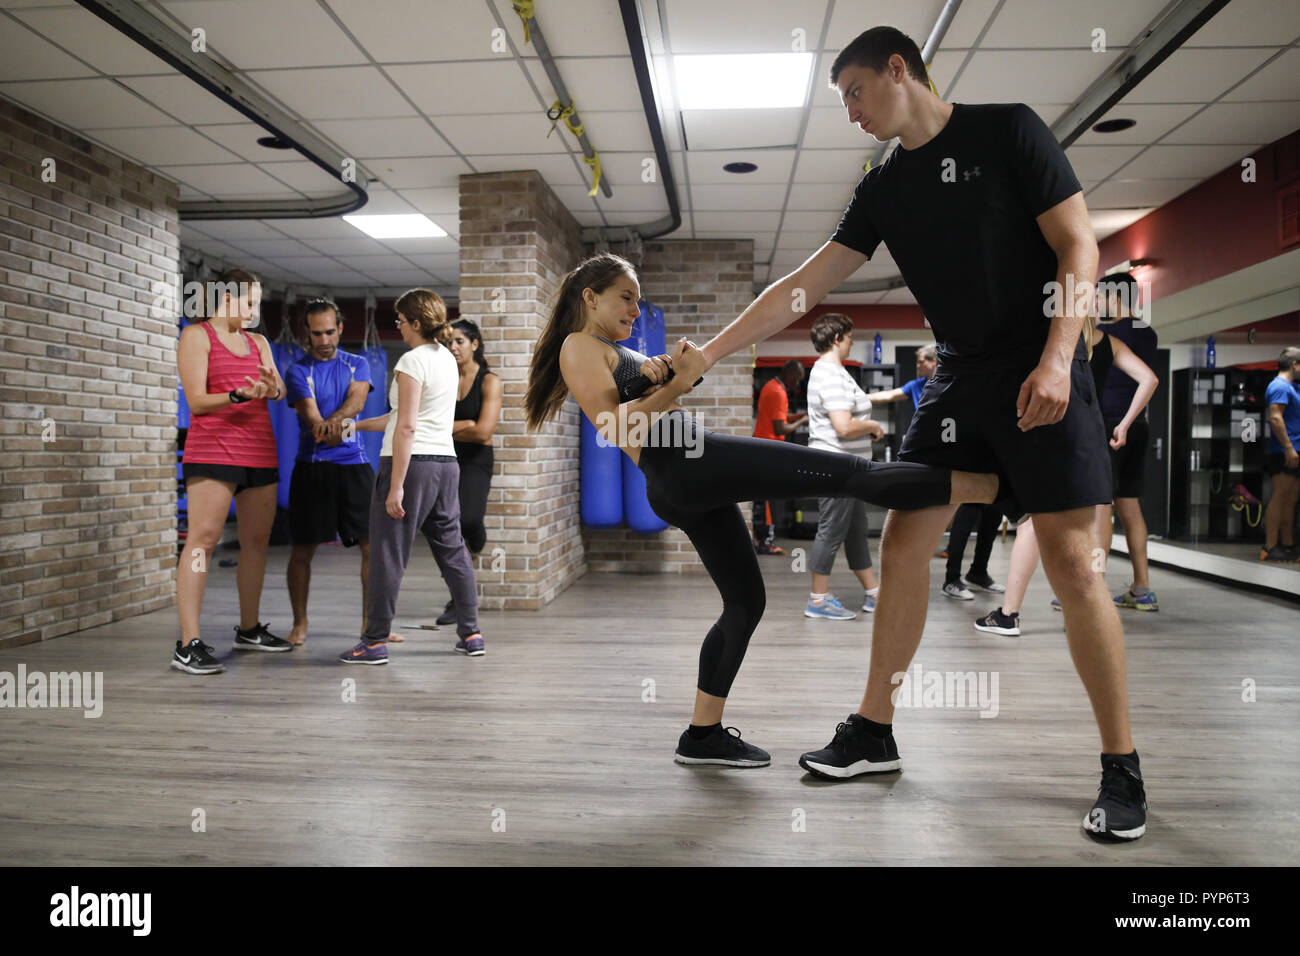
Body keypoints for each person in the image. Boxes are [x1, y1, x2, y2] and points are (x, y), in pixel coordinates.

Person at [699, 26, 1148, 839]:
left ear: (898, 70)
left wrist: (1055, 361)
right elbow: (803, 287)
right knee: (907, 539)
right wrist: (706, 356)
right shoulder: (883, 186)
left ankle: (1122, 766)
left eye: (855, 93)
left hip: (1042, 361)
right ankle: (874, 729)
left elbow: (1078, 243)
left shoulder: (1008, 129)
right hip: (961, 378)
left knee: (1075, 565)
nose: (852, 113)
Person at [523, 253, 999, 768]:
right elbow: (616, 429)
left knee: (745, 603)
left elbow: (633, 411)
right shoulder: (579, 345)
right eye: (626, 297)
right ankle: (1002, 488)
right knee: (853, 476)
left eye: (639, 300)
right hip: (693, 465)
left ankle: (702, 736)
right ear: (590, 296)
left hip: (686, 476)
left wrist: (664, 376)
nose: (636, 310)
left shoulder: (610, 349)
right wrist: (677, 384)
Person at [975, 321, 1159, 635]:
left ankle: (1008, 614)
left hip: (1051, 436)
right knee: (1099, 515)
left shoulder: (1048, 340)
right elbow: (1149, 379)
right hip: (1092, 438)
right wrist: (1126, 423)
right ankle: (1091, 606)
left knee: (1032, 522)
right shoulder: (1107, 344)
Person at [341, 289, 484, 663]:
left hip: (411, 465)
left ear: (416, 323)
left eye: (401, 321)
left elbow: (406, 427)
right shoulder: (448, 360)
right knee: (453, 551)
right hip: (445, 466)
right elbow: (404, 417)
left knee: (388, 554)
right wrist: (356, 426)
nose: (399, 327)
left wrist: (397, 486)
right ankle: (471, 634)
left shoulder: (410, 361)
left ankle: (373, 642)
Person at [173, 267, 292, 674]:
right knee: (202, 542)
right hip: (213, 451)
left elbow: (278, 391)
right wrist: (238, 394)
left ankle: (249, 628)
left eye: (258, 302)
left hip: (259, 452)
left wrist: (271, 388)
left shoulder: (257, 341)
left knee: (256, 543)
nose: (255, 310)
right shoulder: (196, 336)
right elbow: (198, 401)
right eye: (250, 301)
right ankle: (188, 643)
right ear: (227, 297)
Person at [283, 299, 377, 646]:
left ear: (340, 329)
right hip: (312, 469)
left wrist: (331, 424)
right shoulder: (297, 370)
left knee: (372, 547)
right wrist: (327, 425)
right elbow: (309, 416)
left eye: (329, 331)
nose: (323, 340)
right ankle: (300, 623)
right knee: (302, 550)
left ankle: (371, 626)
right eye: (316, 333)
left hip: (354, 467)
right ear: (306, 332)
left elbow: (357, 402)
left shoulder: (358, 364)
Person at [804, 313, 884, 619]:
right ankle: (817, 599)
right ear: (837, 338)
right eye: (849, 337)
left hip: (849, 468)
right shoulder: (830, 374)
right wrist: (873, 425)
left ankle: (874, 593)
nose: (852, 342)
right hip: (836, 467)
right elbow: (844, 426)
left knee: (854, 530)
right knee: (831, 530)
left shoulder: (836, 372)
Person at [1096, 272, 1162, 605]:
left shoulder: (1106, 335)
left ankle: (1092, 589)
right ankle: (1142, 587)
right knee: (1130, 507)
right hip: (1137, 425)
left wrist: (1118, 423)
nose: (1097, 303)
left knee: (1100, 509)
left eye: (1100, 296)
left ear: (1115, 296)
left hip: (1111, 427)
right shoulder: (1147, 332)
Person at [432, 319, 502, 625]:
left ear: (474, 344)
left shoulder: (489, 381)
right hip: (444, 457)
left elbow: (484, 431)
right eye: (449, 342)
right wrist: (464, 427)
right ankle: (458, 600)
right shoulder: (442, 378)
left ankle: (477, 539)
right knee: (444, 528)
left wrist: (449, 429)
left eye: (459, 341)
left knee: (468, 520)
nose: (453, 347)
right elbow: (429, 423)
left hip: (475, 460)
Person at [752, 360, 808, 554]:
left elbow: (780, 418)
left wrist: (799, 416)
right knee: (765, 499)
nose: (798, 384)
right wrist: (801, 421)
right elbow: (780, 427)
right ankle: (765, 543)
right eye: (798, 379)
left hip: (763, 449)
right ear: (791, 374)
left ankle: (761, 540)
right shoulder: (778, 392)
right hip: (766, 451)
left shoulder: (772, 386)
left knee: (763, 497)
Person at [1262, 346, 1300, 561]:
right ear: (1294, 365)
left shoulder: (1293, 387)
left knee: (1291, 499)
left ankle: (1287, 545)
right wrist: (1288, 448)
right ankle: (1270, 546)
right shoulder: (1279, 386)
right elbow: (1276, 418)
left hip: (1295, 449)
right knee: (1280, 496)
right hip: (1285, 451)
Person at [864, 344, 936, 410]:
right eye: (917, 362)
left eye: (921, 362)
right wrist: (860, 398)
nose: (918, 365)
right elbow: (889, 395)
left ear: (934, 362)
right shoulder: (916, 385)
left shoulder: (946, 385)